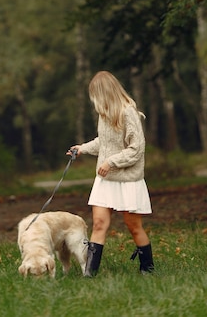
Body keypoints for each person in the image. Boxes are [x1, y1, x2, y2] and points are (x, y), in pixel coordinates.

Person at [68, 70, 154, 276]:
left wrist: (111, 162)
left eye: (95, 95)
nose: (94, 100)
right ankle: (90, 274)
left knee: (133, 227)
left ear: (104, 93)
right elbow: (105, 143)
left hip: (128, 181)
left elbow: (137, 149)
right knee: (98, 224)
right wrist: (82, 149)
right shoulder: (104, 114)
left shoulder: (128, 112)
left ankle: (147, 270)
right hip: (106, 180)